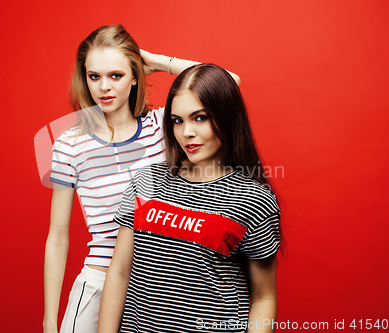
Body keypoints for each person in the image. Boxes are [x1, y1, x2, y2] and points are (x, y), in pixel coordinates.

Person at [43, 25, 240, 333]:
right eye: (94, 76)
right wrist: (49, 321)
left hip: (158, 284)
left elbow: (230, 83)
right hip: (100, 280)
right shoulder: (70, 144)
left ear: (135, 76)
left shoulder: (161, 127)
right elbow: (58, 236)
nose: (104, 87)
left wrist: (157, 61)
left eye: (116, 75)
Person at [98, 63, 280, 333]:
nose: (186, 133)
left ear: (227, 116)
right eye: (177, 120)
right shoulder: (146, 181)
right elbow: (119, 272)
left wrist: (161, 60)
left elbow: (264, 298)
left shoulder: (254, 200)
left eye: (200, 117)